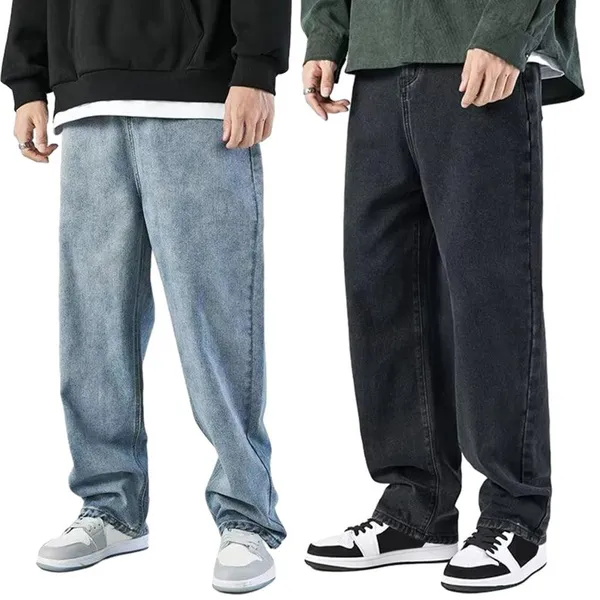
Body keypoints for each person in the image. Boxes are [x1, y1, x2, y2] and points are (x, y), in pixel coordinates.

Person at [2, 0, 291, 593]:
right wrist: (27, 77)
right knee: (93, 319)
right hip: (87, 98)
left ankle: (247, 515)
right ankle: (110, 506)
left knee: (215, 318)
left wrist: (257, 66)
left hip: (199, 93)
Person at [301, 0, 583, 593]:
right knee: (382, 287)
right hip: (378, 56)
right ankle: (416, 507)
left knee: (489, 293)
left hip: (475, 44)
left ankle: (514, 515)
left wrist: (506, 30)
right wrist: (326, 32)